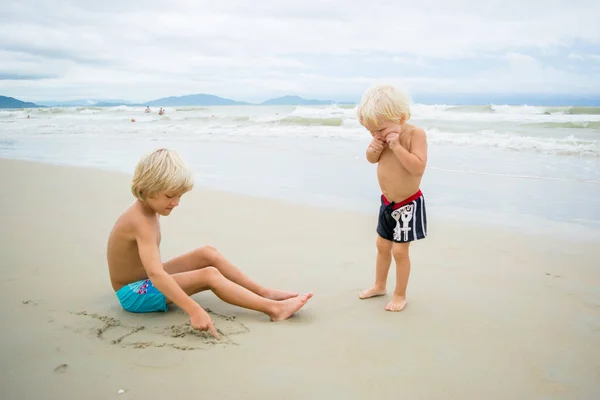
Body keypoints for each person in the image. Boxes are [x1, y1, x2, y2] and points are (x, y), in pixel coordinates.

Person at [106, 148, 313, 338]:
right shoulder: (140, 222)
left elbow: (153, 271)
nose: (176, 202)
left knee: (208, 253)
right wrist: (194, 310)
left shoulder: (148, 209)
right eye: (170, 196)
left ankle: (263, 292)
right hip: (132, 294)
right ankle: (274, 309)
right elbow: (156, 274)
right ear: (146, 189)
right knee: (209, 275)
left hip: (144, 280)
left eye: (180, 196)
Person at [356, 84, 428, 312]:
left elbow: (417, 168)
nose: (377, 135)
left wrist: (396, 146)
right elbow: (371, 159)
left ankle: (400, 294)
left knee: (400, 251)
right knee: (381, 245)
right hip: (387, 202)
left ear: (403, 117)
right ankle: (379, 285)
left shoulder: (414, 134)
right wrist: (374, 148)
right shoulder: (381, 136)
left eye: (381, 130)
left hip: (408, 204)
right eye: (371, 131)